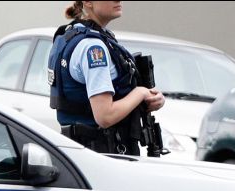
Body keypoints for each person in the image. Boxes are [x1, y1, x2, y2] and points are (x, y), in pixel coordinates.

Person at [48, 1, 165, 155]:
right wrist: (140, 93)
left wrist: (149, 97)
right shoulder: (93, 47)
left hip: (81, 154)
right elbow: (105, 116)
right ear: (88, 2)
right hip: (102, 155)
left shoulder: (70, 35)